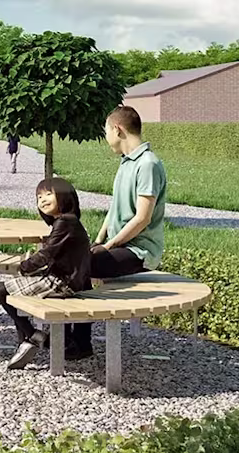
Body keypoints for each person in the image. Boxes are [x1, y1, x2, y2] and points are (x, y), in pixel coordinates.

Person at [64, 105, 168, 358]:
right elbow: (114, 209)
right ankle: (71, 338)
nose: (106, 138)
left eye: (106, 132)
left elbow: (142, 219)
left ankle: (76, 340)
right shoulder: (126, 162)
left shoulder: (148, 164)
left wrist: (108, 246)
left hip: (139, 251)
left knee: (77, 265)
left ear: (117, 129)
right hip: (120, 245)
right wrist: (98, 240)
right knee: (71, 259)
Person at [0, 178, 92, 370]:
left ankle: (33, 336)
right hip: (72, 281)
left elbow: (46, 254)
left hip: (61, 283)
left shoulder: (65, 222)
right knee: (16, 289)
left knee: (2, 292)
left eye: (49, 194)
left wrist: (24, 267)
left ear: (65, 197)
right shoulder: (68, 222)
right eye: (39, 197)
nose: (42, 200)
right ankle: (31, 339)